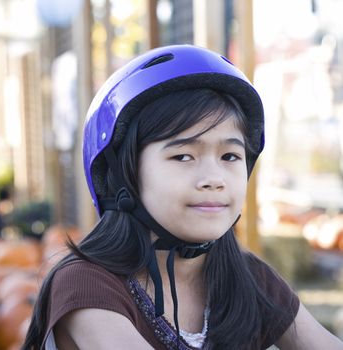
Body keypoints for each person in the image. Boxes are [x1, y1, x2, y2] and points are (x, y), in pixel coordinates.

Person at [23, 45, 343, 349]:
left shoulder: (248, 276)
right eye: (183, 157)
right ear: (123, 174)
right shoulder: (85, 283)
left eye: (230, 156)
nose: (214, 179)